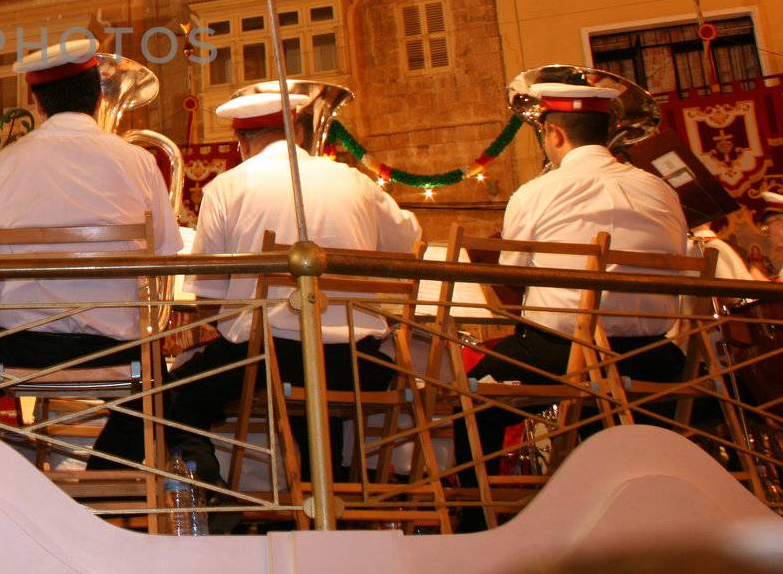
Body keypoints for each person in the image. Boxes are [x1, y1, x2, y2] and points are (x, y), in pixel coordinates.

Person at [0, 37, 182, 469]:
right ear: (99, 99)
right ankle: (103, 490)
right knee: (163, 391)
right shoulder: (140, 161)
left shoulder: (5, 163)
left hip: (17, 346)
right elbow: (167, 256)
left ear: (36, 104)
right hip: (114, 348)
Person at [165, 91, 421, 482]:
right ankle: (327, 487)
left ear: (241, 142)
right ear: (298, 132)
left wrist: (231, 332)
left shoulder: (228, 187)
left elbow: (207, 297)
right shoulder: (356, 181)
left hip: (270, 362)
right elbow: (410, 241)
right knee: (309, 377)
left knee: (173, 395)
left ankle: (215, 493)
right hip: (358, 366)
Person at [459, 82, 691, 472]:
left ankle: (478, 514)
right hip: (657, 357)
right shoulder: (661, 189)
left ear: (555, 134)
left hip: (561, 353)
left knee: (465, 393)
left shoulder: (536, 193)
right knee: (597, 392)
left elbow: (514, 272)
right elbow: (682, 257)